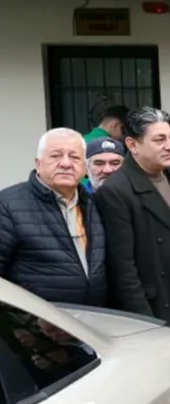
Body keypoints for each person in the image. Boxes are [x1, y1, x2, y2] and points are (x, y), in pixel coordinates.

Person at [95, 108, 170, 347]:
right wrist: (147, 324)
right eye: (159, 139)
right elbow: (123, 270)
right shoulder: (116, 191)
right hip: (157, 312)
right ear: (132, 145)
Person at [0, 128, 107, 305]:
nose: (66, 163)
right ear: (38, 163)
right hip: (36, 319)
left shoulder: (93, 204)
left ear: (84, 167)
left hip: (93, 316)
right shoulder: (7, 205)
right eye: (56, 156)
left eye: (75, 157)